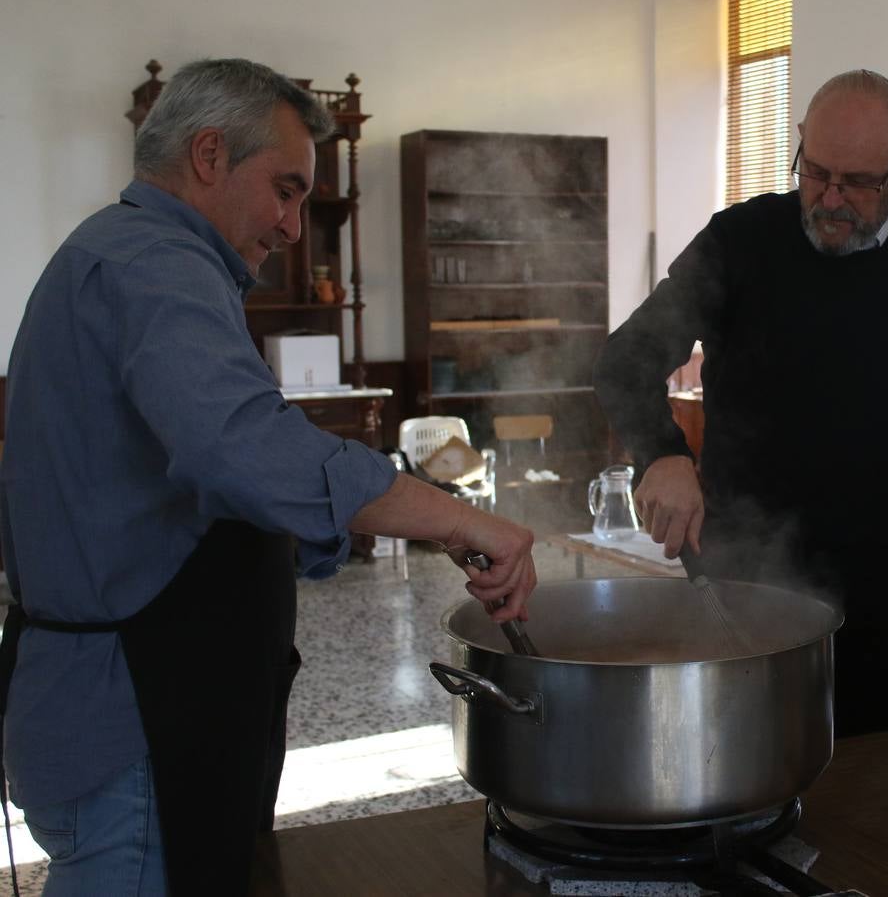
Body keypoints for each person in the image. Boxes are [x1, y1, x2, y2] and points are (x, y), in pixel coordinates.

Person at [0, 58, 536, 895]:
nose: (291, 226)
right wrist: (459, 517)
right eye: (285, 191)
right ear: (210, 154)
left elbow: (205, 480)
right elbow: (241, 447)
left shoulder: (134, 254)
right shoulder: (152, 263)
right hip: (132, 721)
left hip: (151, 709)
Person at [593, 69, 888, 739]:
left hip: (880, 582)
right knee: (734, 763)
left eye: (858, 182)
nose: (829, 198)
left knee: (862, 777)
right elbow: (624, 360)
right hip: (740, 574)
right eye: (815, 172)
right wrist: (663, 455)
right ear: (800, 142)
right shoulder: (740, 240)